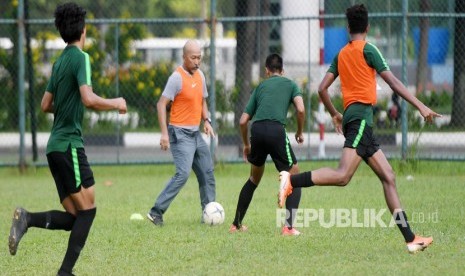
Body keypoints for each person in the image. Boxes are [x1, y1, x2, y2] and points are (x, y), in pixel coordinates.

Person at [278, 4, 439, 253]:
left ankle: (411, 238)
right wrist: (421, 106)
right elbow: (394, 82)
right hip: (362, 117)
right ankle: (291, 180)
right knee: (343, 176)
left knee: (388, 176)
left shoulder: (341, 54)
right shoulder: (369, 49)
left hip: (358, 119)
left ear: (347, 28)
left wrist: (334, 114)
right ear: (368, 27)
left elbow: (321, 88)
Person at [8, 2, 127, 275]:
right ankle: (65, 273)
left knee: (76, 217)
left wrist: (66, 102)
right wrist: (116, 102)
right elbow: (88, 98)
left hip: (54, 148)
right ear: (83, 31)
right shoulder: (80, 57)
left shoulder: (60, 61)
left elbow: (45, 104)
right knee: (88, 211)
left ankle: (27, 218)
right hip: (70, 144)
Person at [229, 53, 305, 236]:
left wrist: (246, 145)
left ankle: (236, 225)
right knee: (295, 175)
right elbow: (301, 109)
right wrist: (300, 132)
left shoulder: (261, 87)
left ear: (266, 71)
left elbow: (242, 121)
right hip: (276, 131)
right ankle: (288, 227)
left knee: (253, 179)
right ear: (282, 70)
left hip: (257, 131)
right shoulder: (291, 84)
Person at [147, 40, 216, 226]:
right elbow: (161, 104)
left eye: (199, 57)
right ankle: (156, 212)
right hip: (179, 133)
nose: (197, 61)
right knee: (183, 174)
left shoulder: (200, 75)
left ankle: (209, 213)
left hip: (195, 134)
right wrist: (164, 134)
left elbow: (202, 101)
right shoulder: (176, 78)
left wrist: (206, 121)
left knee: (207, 172)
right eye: (193, 57)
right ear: (184, 57)